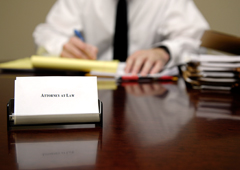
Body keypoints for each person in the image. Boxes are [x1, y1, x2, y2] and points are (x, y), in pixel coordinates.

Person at [33, 0, 209, 76]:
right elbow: (46, 32)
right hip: (90, 88)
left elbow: (199, 39)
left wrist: (164, 51)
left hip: (150, 93)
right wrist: (63, 47)